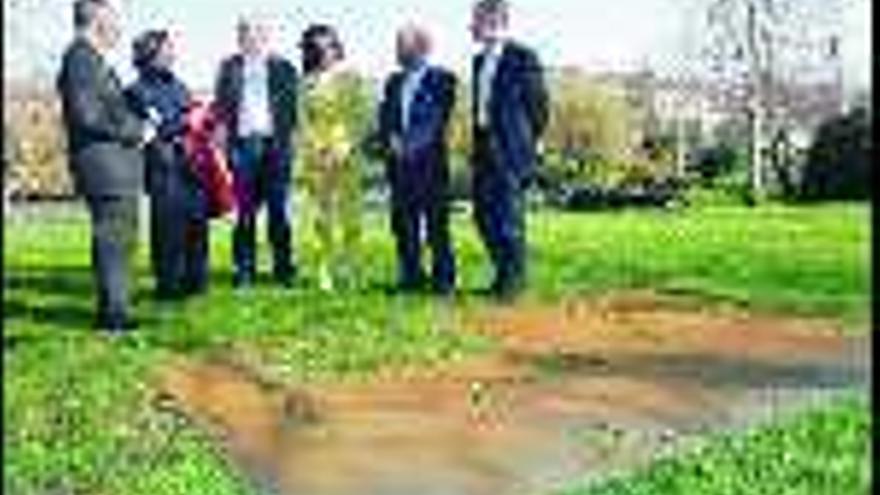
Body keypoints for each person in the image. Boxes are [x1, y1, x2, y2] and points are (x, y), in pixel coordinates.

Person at [56, 0, 155, 333]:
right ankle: (114, 318)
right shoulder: (80, 58)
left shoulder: (92, 59)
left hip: (114, 165)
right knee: (114, 240)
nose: (118, 26)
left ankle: (116, 309)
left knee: (120, 239)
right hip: (104, 166)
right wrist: (135, 130)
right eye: (113, 18)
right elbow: (88, 115)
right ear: (96, 19)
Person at [469, 0, 548, 300]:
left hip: (512, 148)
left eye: (476, 19)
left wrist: (530, 141)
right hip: (482, 146)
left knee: (509, 217)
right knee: (482, 214)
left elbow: (539, 105)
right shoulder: (478, 61)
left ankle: (514, 283)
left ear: (494, 20)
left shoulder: (523, 57)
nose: (471, 25)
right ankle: (503, 271)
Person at [214, 16, 299, 288]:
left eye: (255, 33)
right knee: (245, 212)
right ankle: (244, 270)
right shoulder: (229, 67)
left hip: (276, 146)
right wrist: (223, 141)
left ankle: (283, 269)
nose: (250, 39)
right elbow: (222, 106)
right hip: (243, 147)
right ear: (239, 38)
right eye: (244, 34)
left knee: (279, 211)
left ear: (266, 36)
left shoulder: (284, 68)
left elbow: (293, 110)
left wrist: (290, 142)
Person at [126, 29, 210, 300]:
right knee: (168, 230)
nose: (172, 54)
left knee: (197, 225)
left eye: (172, 49)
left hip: (193, 166)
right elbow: (157, 126)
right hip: (165, 167)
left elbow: (191, 112)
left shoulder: (178, 84)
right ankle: (168, 286)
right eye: (166, 50)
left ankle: (196, 283)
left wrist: (201, 115)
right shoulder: (137, 92)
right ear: (150, 54)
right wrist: (186, 121)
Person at [377, 24, 457, 295]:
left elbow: (435, 120)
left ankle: (443, 280)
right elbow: (385, 117)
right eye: (397, 45)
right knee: (403, 225)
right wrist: (388, 140)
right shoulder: (393, 81)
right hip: (398, 168)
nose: (397, 51)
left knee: (437, 225)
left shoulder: (443, 79)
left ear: (422, 47)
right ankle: (410, 276)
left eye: (403, 45)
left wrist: (407, 145)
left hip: (430, 165)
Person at [297, 24, 370, 292]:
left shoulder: (351, 76)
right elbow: (303, 120)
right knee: (321, 220)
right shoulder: (307, 81)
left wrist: (345, 147)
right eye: (317, 47)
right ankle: (324, 272)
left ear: (336, 46)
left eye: (328, 45)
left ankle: (353, 271)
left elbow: (360, 115)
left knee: (351, 218)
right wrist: (315, 148)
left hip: (347, 155)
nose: (324, 51)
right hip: (317, 158)